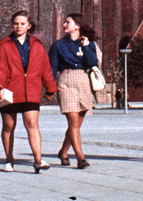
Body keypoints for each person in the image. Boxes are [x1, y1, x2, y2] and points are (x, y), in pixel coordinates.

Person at [0, 9, 56, 173]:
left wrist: (50, 88)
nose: (19, 26)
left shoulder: (37, 46)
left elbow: (45, 68)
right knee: (8, 126)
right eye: (16, 23)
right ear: (12, 25)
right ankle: (9, 159)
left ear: (28, 26)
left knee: (32, 124)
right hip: (9, 90)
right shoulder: (4, 45)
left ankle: (38, 160)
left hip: (31, 90)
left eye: (22, 24)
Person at [49, 13, 101, 170]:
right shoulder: (58, 45)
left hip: (84, 81)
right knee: (73, 122)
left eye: (68, 22)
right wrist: (50, 87)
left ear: (77, 26)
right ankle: (80, 158)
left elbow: (93, 63)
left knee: (77, 124)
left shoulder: (88, 43)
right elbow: (51, 67)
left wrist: (86, 47)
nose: (64, 25)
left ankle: (63, 152)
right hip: (66, 80)